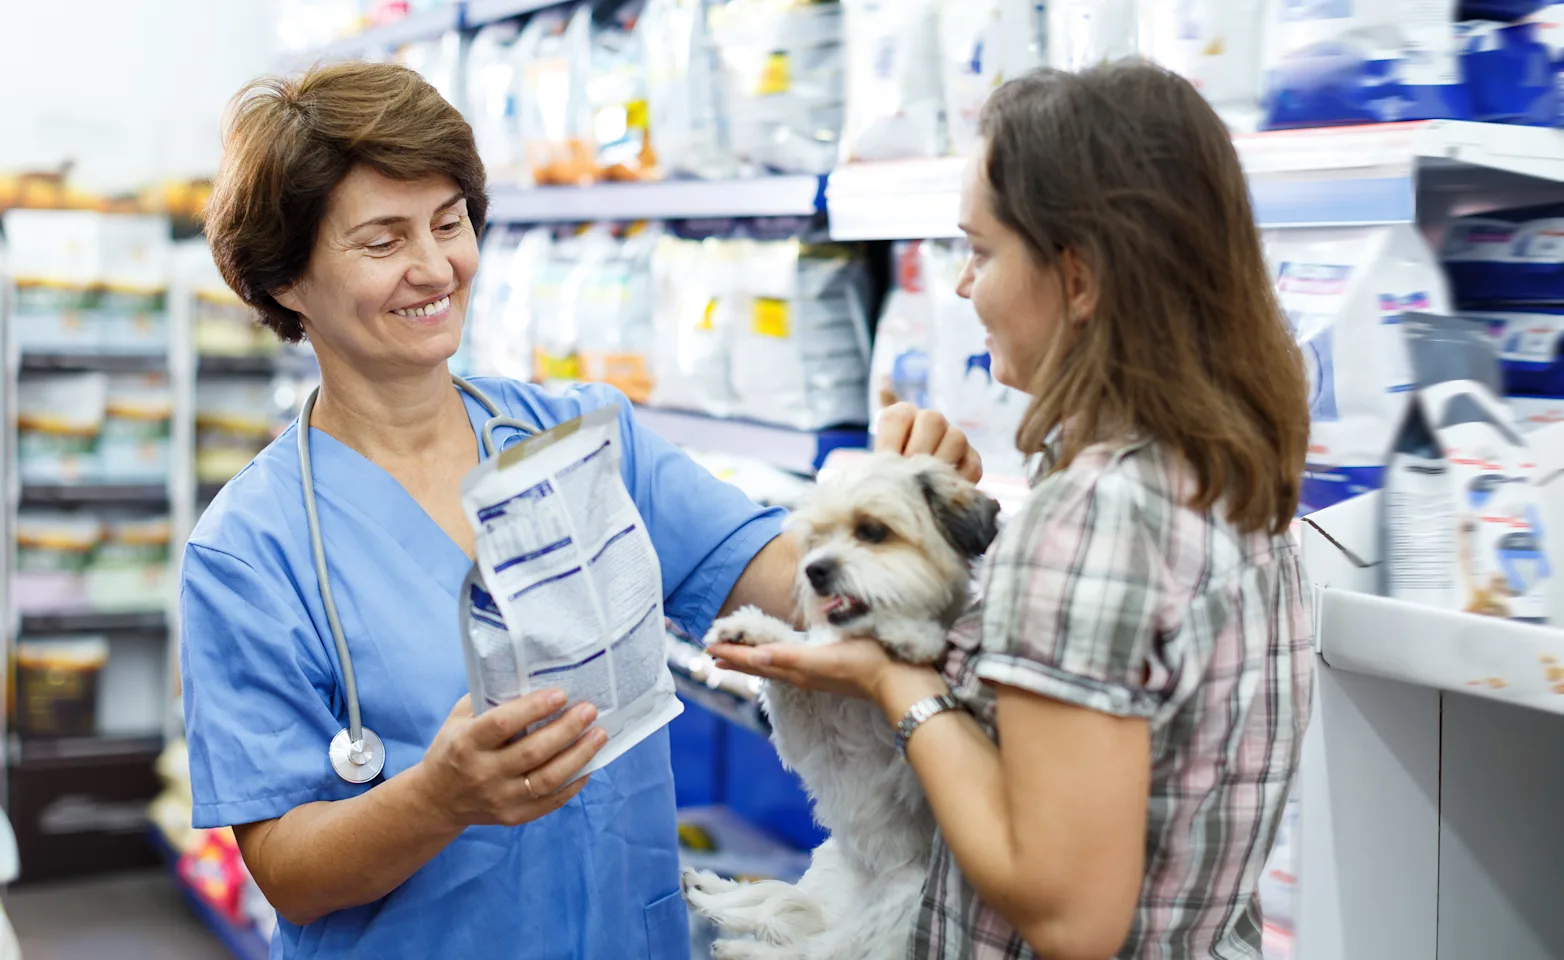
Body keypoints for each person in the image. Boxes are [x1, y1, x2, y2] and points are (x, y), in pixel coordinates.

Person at [183, 61, 977, 960]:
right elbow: (286, 866)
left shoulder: (584, 439)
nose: (435, 266)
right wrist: (437, 799)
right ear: (283, 280)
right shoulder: (250, 553)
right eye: (382, 241)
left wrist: (894, 522)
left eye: (450, 223)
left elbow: (785, 580)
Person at [710, 62, 1316, 960]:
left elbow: (1069, 917)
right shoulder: (1236, 481)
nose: (963, 288)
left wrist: (895, 684)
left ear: (1077, 277)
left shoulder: (1095, 522)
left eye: (982, 251)